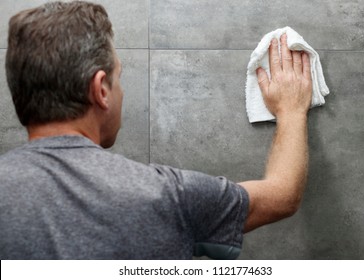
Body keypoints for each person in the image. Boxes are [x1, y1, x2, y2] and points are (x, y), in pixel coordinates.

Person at [0, 1, 312, 259]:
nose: (121, 91)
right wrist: (291, 110)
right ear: (101, 90)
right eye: (118, 77)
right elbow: (282, 196)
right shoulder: (168, 196)